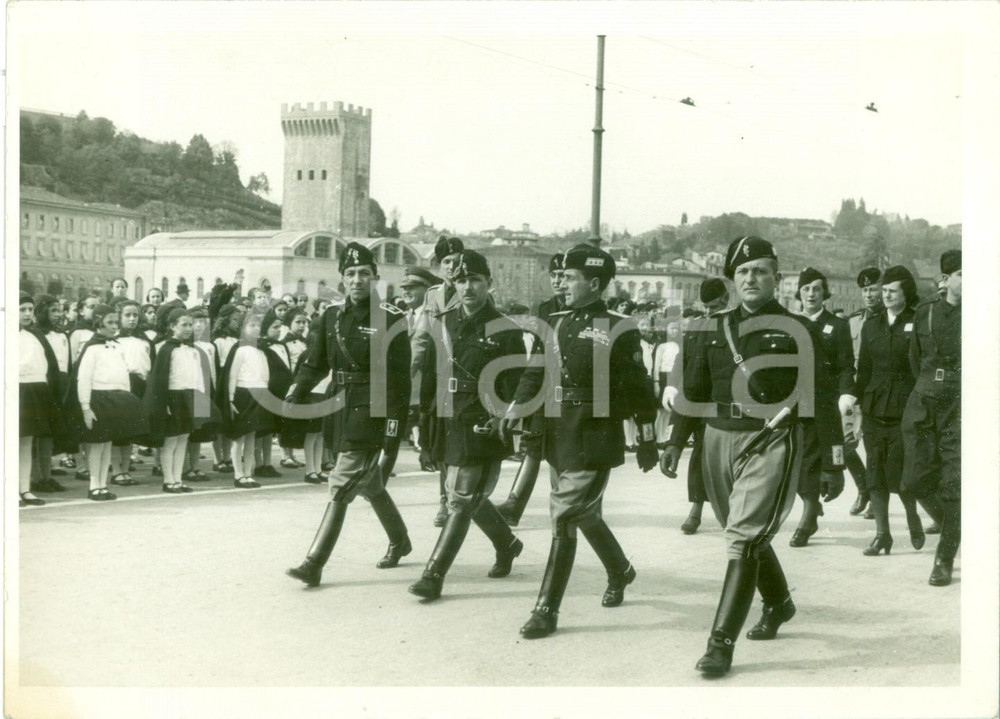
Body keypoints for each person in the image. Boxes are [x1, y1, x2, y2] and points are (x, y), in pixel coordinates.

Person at [661, 235, 834, 676]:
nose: (751, 278)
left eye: (760, 271)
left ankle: (719, 643)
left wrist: (831, 462)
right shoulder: (710, 328)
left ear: (777, 278)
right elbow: (693, 391)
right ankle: (778, 603)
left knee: (742, 537)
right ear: (733, 279)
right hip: (718, 438)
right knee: (745, 535)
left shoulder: (803, 330)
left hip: (770, 438)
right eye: (743, 272)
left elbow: (821, 399)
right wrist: (676, 442)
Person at [499, 244, 660, 639]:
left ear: (595, 283)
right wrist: (515, 408)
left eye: (570, 278)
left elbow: (639, 387)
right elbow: (535, 370)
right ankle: (620, 569)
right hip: (557, 429)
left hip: (594, 431)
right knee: (582, 513)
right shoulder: (553, 320)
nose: (562, 283)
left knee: (565, 515)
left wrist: (647, 437)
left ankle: (546, 608)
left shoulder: (619, 326)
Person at [284, 242, 413, 587]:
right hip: (338, 406)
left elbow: (400, 381)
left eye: (364, 274)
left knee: (341, 481)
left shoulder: (391, 319)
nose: (357, 280)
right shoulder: (330, 317)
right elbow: (315, 362)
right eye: (351, 274)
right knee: (368, 482)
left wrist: (394, 427)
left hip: (371, 408)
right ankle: (400, 540)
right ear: (342, 278)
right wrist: (297, 387)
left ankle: (315, 562)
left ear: (376, 277)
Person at [407, 251, 528, 601]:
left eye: (475, 280)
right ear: (452, 284)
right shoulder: (445, 323)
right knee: (469, 496)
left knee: (460, 498)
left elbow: (517, 380)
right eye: (460, 281)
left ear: (490, 283)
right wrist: (425, 422)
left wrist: (503, 415)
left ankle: (433, 575)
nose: (468, 287)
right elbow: (431, 375)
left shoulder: (506, 329)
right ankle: (508, 544)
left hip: (481, 422)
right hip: (447, 419)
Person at [854, 265, 934, 555]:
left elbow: (924, 367)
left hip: (906, 410)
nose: (885, 295)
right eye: (883, 290)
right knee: (874, 470)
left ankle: (912, 516)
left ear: (906, 293)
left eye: (892, 291)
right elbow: (863, 371)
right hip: (875, 408)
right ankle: (882, 535)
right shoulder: (871, 325)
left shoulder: (918, 322)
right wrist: (859, 410)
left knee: (902, 472)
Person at [901, 250, 961, 586]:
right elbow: (915, 360)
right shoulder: (925, 313)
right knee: (913, 481)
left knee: (954, 484)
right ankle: (958, 526)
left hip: (961, 406)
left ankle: (945, 555)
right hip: (924, 403)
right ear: (946, 279)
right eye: (963, 274)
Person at [496, 251, 567, 526]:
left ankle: (564, 502)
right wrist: (521, 400)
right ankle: (515, 504)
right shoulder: (546, 309)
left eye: (563, 276)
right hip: (544, 388)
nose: (558, 282)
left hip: (570, 392)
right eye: (554, 276)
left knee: (562, 450)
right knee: (532, 445)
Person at [787, 268, 851, 548]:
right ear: (798, 294)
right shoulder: (789, 323)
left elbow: (846, 364)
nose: (811, 294)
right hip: (794, 403)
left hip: (825, 404)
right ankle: (811, 509)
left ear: (824, 292)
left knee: (826, 459)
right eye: (805, 289)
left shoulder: (837, 325)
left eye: (816, 288)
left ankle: (809, 516)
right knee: (795, 461)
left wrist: (847, 393)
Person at [66, 304, 150, 501]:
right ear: (99, 323)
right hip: (98, 399)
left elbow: (123, 375)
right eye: (109, 322)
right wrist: (86, 407)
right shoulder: (92, 348)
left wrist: (127, 399)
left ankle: (103, 484)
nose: (114, 326)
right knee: (96, 445)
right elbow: (83, 379)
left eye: (115, 322)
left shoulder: (117, 346)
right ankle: (94, 485)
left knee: (107, 445)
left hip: (116, 400)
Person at [666, 277, 730, 535]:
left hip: (726, 403)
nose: (708, 313)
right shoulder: (696, 326)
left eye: (712, 307)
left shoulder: (734, 323)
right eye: (705, 308)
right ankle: (696, 509)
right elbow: (683, 360)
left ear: (725, 299)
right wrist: (672, 385)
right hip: (700, 401)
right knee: (699, 457)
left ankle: (730, 511)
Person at [413, 236, 466, 527]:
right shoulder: (432, 295)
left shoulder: (473, 290)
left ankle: (461, 498)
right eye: (446, 261)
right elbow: (422, 336)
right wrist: (410, 368)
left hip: (465, 376)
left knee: (460, 441)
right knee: (442, 439)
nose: (452, 267)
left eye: (457, 261)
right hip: (438, 376)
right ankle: (445, 502)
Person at [144, 308, 219, 493]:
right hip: (173, 399)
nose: (188, 329)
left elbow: (198, 376)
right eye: (184, 325)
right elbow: (159, 379)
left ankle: (178, 478)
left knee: (183, 439)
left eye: (190, 325)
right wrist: (164, 404)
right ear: (172, 326)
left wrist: (201, 399)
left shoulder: (193, 349)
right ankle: (168, 480)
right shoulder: (167, 349)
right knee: (170, 442)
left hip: (189, 397)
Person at [845, 268, 883, 517]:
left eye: (873, 289)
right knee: (845, 445)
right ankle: (863, 488)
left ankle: (875, 498)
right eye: (865, 290)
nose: (869, 294)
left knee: (872, 449)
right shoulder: (853, 321)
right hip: (852, 392)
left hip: (875, 393)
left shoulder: (889, 320)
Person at [396, 266, 442, 475]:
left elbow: (418, 352)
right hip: (408, 387)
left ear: (427, 289)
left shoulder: (433, 316)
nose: (406, 291)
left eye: (412, 287)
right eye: (404, 287)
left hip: (424, 387)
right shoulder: (404, 317)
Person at [18, 293, 61, 507]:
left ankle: (24, 488)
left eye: (29, 310)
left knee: (27, 442)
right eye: (22, 310)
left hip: (34, 391)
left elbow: (46, 365)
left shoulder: (34, 336)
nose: (27, 314)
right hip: (15, 391)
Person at [109, 300, 155, 487]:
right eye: (127, 315)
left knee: (130, 432)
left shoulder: (145, 340)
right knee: (118, 430)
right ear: (119, 317)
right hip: (122, 386)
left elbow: (151, 364)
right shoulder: (115, 340)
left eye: (135, 315)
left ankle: (126, 469)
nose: (132, 319)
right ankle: (116, 471)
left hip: (140, 385)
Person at [28, 294, 70, 494]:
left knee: (48, 434)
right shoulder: (35, 334)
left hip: (59, 384)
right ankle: (36, 477)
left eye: (59, 310)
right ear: (41, 312)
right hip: (42, 386)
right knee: (37, 433)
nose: (58, 315)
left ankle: (47, 475)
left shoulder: (62, 335)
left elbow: (65, 363)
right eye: (53, 311)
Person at [210, 303, 244, 473]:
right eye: (234, 319)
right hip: (222, 380)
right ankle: (217, 458)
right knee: (219, 423)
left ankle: (227, 456)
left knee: (229, 421)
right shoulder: (219, 341)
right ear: (225, 320)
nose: (237, 323)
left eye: (239, 320)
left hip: (233, 380)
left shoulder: (237, 340)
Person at [279, 307, 311, 472]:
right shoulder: (285, 342)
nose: (301, 325)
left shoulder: (304, 341)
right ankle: (285, 455)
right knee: (286, 421)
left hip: (301, 383)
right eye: (297, 322)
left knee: (294, 421)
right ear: (289, 324)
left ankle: (292, 454)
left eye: (304, 322)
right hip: (289, 382)